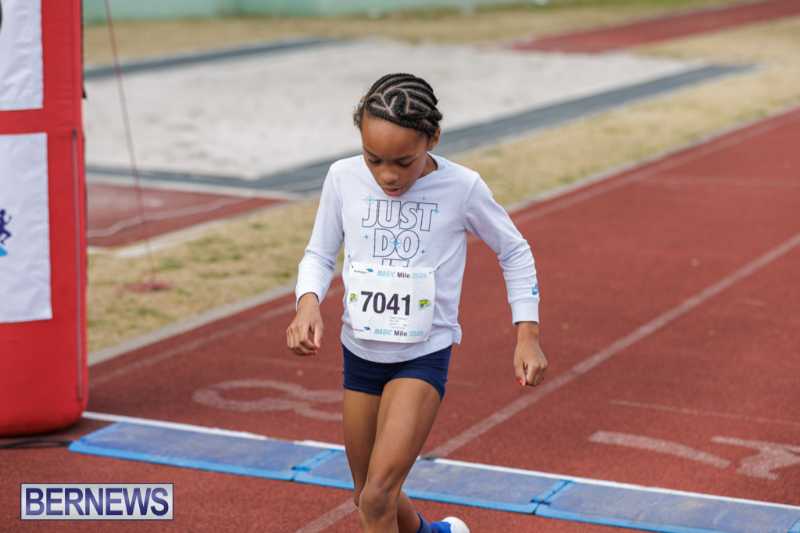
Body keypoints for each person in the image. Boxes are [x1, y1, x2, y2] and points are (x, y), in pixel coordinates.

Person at [287, 73, 548, 533]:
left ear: (433, 139)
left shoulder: (462, 188)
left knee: (377, 498)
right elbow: (320, 254)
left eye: (403, 162)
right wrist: (308, 303)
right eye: (374, 159)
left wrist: (527, 334)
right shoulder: (343, 178)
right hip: (360, 353)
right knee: (367, 494)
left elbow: (514, 251)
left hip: (422, 356)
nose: (388, 175)